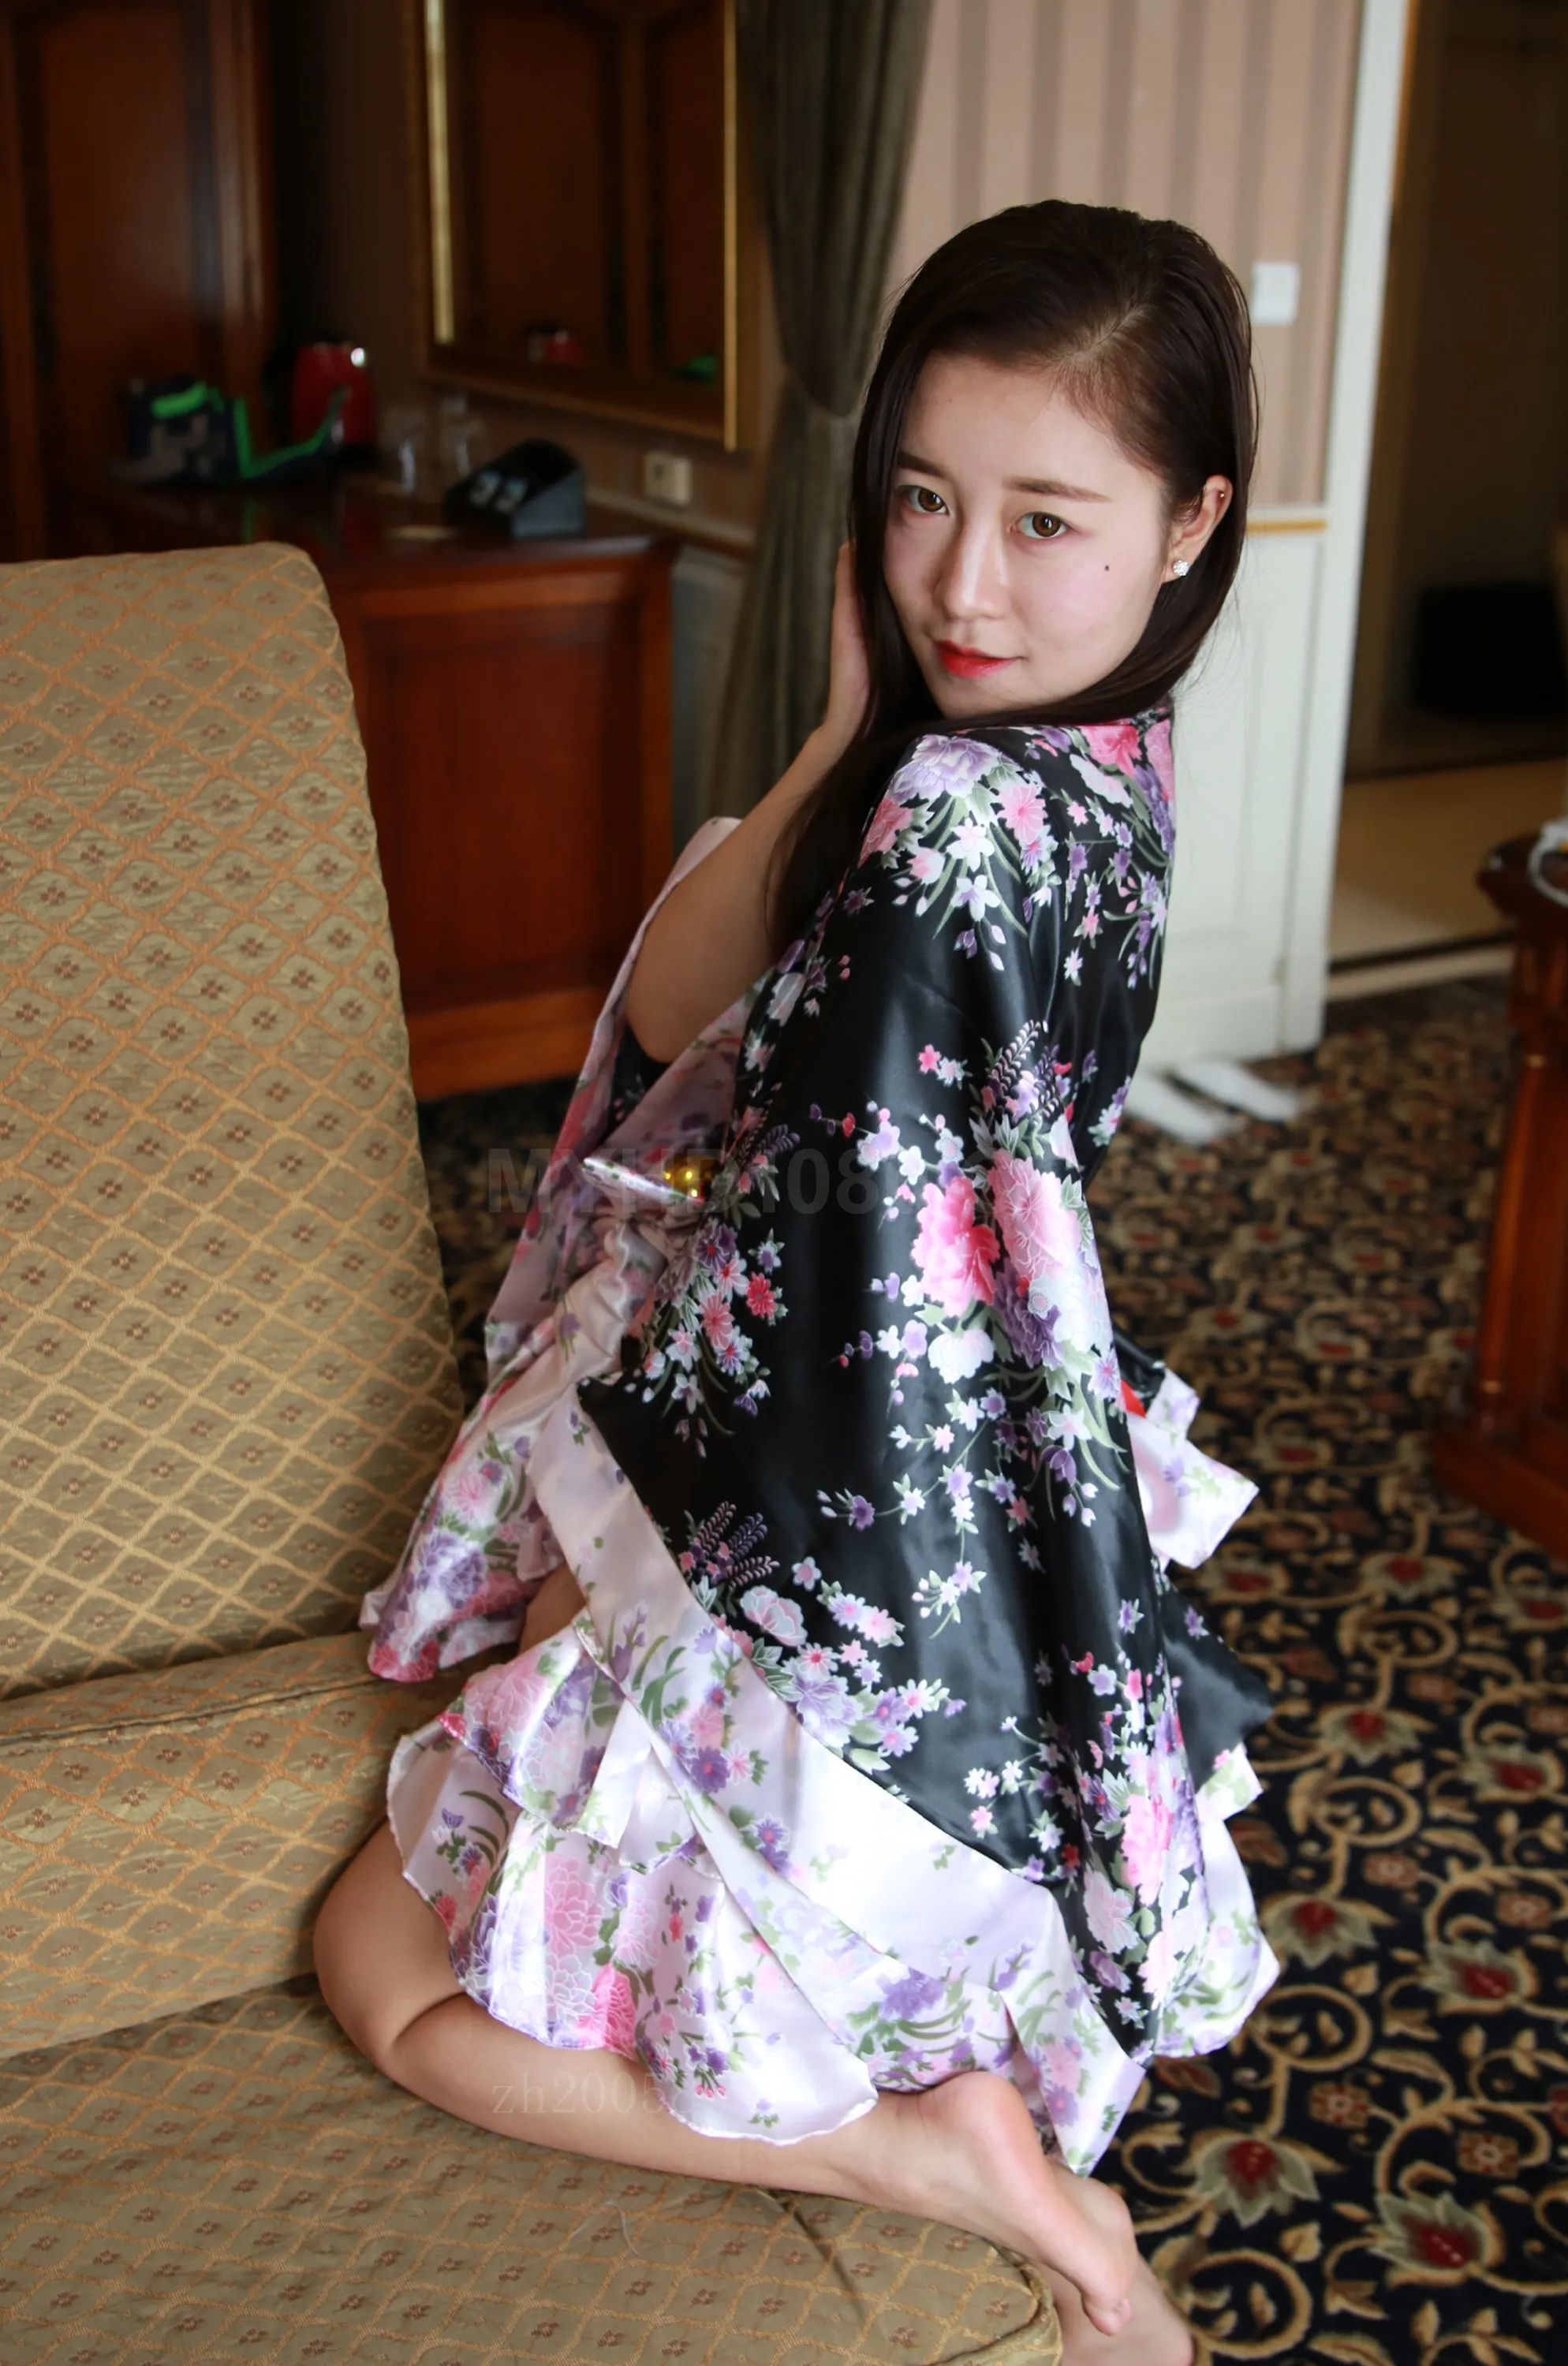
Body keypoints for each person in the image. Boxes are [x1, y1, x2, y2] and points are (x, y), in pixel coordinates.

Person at [315, 199, 1278, 2366]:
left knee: (383, 1986)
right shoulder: (1088, 768)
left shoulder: (951, 827)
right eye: (921, 499)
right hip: (941, 1519)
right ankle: (934, 2116)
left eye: (1045, 520)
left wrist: (605, 1594)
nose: (962, 583)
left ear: (1194, 520)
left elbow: (808, 1262)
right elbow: (702, 1016)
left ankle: (918, 2160)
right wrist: (854, 722)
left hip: (796, 1538)